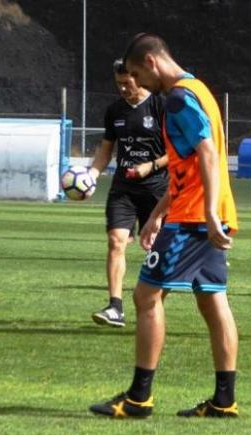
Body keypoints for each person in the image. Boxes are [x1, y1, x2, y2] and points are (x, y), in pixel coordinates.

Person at [89, 33, 240, 419]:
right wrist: (157, 213)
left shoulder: (176, 98)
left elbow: (207, 154)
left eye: (139, 74)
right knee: (213, 300)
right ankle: (224, 401)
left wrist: (204, 213)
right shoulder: (199, 89)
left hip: (194, 218)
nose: (138, 83)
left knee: (145, 298)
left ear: (152, 63)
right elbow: (190, 164)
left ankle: (139, 398)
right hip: (209, 210)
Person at [88, 59, 168, 328]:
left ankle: (152, 307)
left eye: (127, 83)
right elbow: (106, 149)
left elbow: (178, 152)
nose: (122, 88)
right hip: (123, 188)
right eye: (118, 84)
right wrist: (91, 176)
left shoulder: (160, 106)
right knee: (116, 241)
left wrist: (151, 165)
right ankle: (115, 307)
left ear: (139, 77)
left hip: (156, 189)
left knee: (156, 250)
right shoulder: (114, 111)